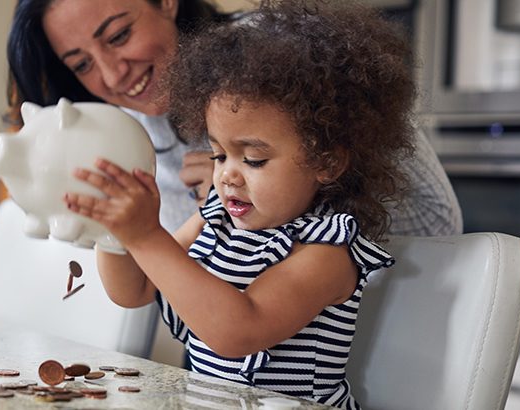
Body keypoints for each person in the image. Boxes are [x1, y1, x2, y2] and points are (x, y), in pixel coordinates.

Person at [61, 1, 415, 407]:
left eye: (254, 159)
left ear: (326, 161)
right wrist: (115, 230)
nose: (227, 175)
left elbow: (238, 331)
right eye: (218, 155)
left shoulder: (325, 253)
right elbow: (134, 288)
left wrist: (146, 235)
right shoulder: (213, 219)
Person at [5, 0, 463, 237]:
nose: (111, 74)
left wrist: (275, 196)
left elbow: (436, 221)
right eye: (81, 64)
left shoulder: (277, 59)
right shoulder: (125, 128)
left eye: (120, 34)